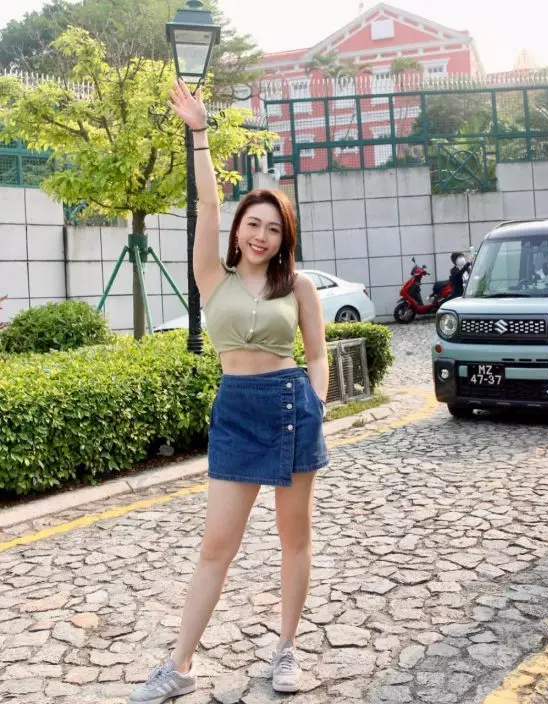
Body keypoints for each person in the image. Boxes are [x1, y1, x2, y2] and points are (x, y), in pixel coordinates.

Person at [128, 80, 329, 704]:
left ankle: (286, 648)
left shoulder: (298, 287)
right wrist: (200, 133)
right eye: (253, 224)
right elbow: (208, 205)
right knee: (216, 546)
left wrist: (317, 402)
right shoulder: (211, 276)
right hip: (236, 412)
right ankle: (180, 664)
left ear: (284, 237)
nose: (261, 235)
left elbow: (317, 354)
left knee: (294, 540)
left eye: (273, 228)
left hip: (291, 407)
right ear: (239, 229)